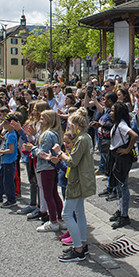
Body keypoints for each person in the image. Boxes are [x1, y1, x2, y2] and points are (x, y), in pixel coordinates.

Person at [48, 111, 96, 262]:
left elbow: (72, 162)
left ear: (75, 125)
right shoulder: (86, 137)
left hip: (76, 179)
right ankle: (82, 243)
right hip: (82, 178)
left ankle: (78, 249)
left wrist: (59, 152)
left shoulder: (81, 139)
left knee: (67, 214)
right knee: (79, 212)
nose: (69, 128)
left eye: (70, 125)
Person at [24, 109, 65, 232]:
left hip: (46, 166)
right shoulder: (54, 133)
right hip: (52, 166)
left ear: (49, 120)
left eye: (42, 119)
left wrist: (32, 148)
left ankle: (53, 221)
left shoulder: (47, 134)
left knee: (48, 195)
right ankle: (60, 219)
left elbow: (42, 153)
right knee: (53, 194)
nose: (40, 121)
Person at [108, 102, 139, 229]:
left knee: (123, 186)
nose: (110, 113)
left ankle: (125, 216)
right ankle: (120, 210)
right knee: (119, 186)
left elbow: (134, 135)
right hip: (115, 155)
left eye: (112, 110)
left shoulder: (121, 124)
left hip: (122, 157)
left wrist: (127, 150)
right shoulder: (117, 123)